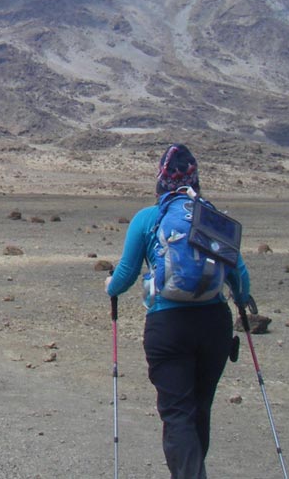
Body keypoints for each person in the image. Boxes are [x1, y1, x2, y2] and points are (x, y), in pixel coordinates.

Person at [105, 144, 254, 479]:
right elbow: (239, 275)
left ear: (160, 179)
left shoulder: (149, 218)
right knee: (200, 409)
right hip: (214, 325)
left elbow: (125, 275)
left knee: (177, 414)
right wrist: (244, 300)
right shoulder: (211, 217)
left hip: (168, 326)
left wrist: (109, 288)